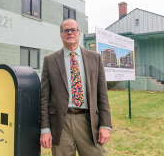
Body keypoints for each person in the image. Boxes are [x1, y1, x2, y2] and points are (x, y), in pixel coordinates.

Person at [40, 18, 112, 156]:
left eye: (73, 29)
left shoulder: (95, 58)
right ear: (61, 34)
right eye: (65, 30)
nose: (69, 33)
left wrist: (105, 125)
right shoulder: (50, 61)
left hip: (88, 121)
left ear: (79, 33)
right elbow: (44, 99)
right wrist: (45, 129)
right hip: (61, 123)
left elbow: (102, 95)